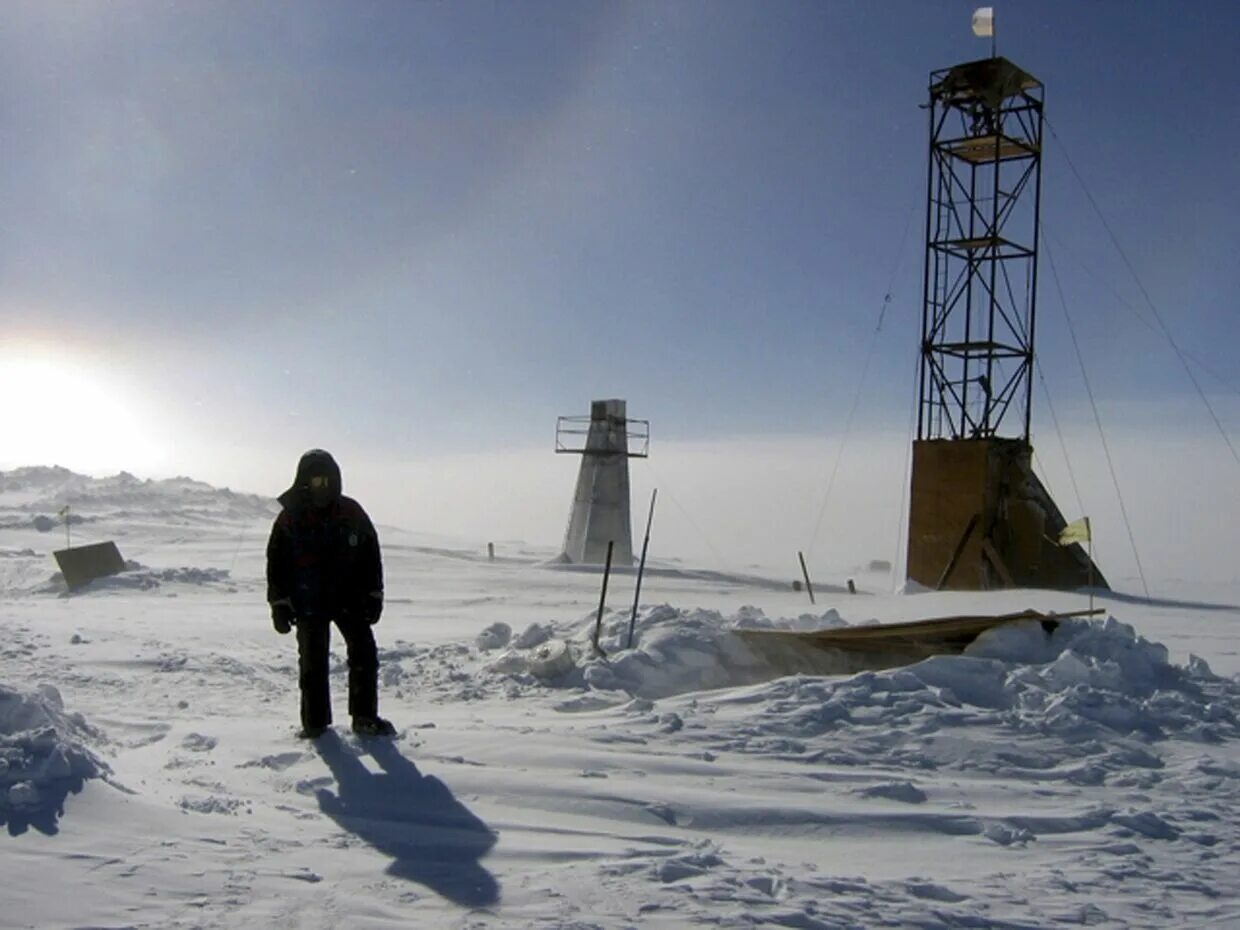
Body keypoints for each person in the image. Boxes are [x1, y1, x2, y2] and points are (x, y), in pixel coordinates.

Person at [266, 449, 394, 739]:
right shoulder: (290, 518)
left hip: (350, 598)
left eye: (327, 479)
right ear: (303, 481)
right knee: (312, 663)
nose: (322, 486)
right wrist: (279, 603)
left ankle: (364, 717)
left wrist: (375, 595)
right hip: (308, 600)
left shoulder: (351, 512)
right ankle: (315, 724)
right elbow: (276, 563)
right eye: (315, 480)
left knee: (365, 656)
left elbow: (370, 555)